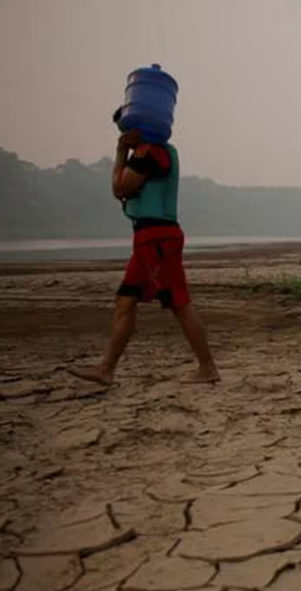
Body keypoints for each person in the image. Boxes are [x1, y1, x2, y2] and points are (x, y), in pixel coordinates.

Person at [69, 110, 219, 385]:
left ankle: (208, 368)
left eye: (125, 128)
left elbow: (120, 188)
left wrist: (119, 153)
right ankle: (106, 369)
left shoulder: (151, 152)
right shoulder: (152, 151)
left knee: (179, 303)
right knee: (125, 301)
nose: (123, 134)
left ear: (140, 127)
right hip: (147, 239)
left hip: (159, 240)